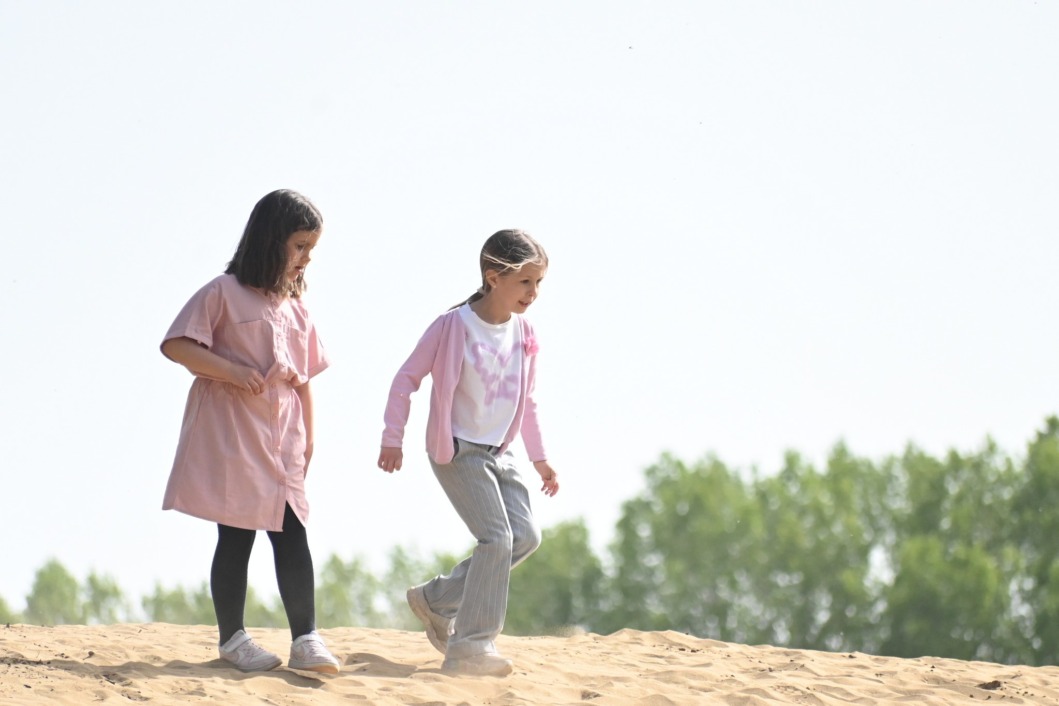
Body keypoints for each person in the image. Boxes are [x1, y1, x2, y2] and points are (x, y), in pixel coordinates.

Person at [160, 189, 340, 674]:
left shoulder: (297, 307)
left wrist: (310, 439)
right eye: (299, 246)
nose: (306, 258)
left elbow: (304, 379)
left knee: (292, 532)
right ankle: (233, 640)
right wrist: (232, 371)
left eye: (311, 249)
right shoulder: (222, 292)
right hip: (235, 436)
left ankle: (306, 639)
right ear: (270, 240)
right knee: (237, 533)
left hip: (284, 440)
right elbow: (177, 345)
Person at [378, 229, 560, 677]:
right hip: (458, 449)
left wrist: (539, 459)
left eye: (539, 282)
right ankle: (471, 646)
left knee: (525, 537)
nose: (534, 292)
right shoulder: (452, 326)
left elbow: (528, 400)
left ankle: (436, 600)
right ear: (493, 277)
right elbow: (406, 379)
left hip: (502, 452)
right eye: (525, 282)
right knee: (496, 539)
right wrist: (392, 438)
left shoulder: (525, 332)